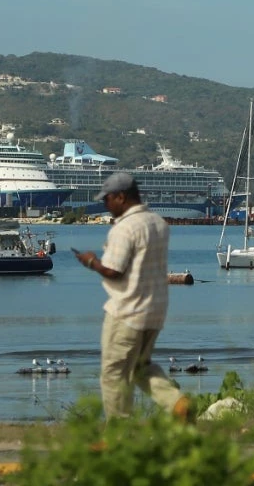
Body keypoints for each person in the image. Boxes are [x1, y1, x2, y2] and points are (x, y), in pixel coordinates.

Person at [74, 172, 192, 421]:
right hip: (155, 310)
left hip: (127, 310)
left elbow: (114, 271)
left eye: (107, 200)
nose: (105, 206)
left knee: (114, 372)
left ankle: (118, 432)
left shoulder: (125, 228)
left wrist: (91, 261)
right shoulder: (158, 223)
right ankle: (177, 403)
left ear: (120, 196)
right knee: (140, 367)